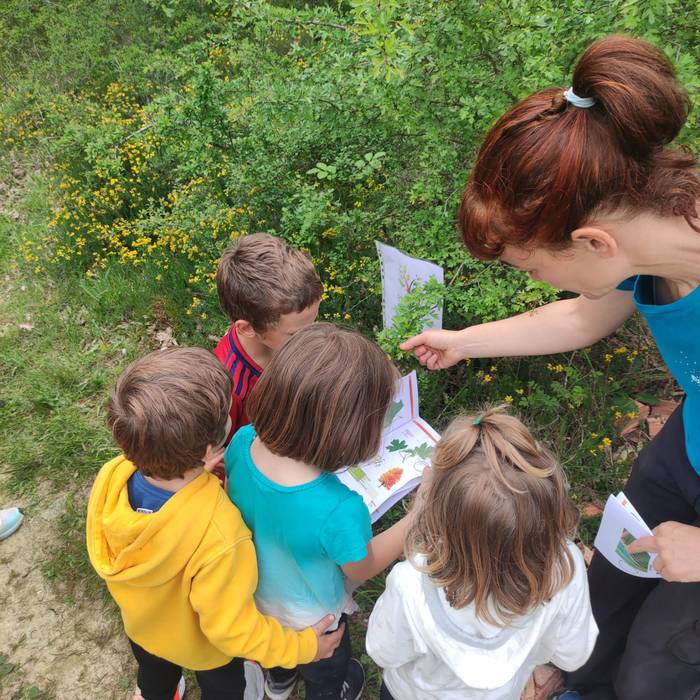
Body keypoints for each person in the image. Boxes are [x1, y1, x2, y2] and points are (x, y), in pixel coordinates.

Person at [401, 35, 700, 700]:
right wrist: (465, 341)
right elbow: (582, 316)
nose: (538, 283)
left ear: (595, 242)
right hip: (689, 450)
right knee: (603, 605)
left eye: (534, 267)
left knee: (657, 675)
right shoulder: (643, 237)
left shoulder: (631, 238)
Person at [86, 347, 343, 700]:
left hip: (143, 628)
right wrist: (301, 648)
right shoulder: (220, 533)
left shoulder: (111, 477)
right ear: (209, 450)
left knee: (154, 678)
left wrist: (192, 476)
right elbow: (233, 631)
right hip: (205, 650)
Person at [225, 323, 416, 700]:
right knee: (326, 673)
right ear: (351, 432)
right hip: (316, 621)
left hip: (255, 600)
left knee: (277, 656)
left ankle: (278, 680)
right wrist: (415, 519)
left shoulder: (242, 442)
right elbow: (361, 567)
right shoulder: (340, 509)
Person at [366, 406, 597, 700]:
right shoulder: (565, 570)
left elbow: (383, 651)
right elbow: (572, 655)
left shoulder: (411, 582)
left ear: (434, 511)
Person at [214, 233, 323, 442]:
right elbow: (224, 457)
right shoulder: (230, 389)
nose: (312, 336)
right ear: (247, 329)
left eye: (314, 321)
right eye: (295, 334)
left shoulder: (280, 327)